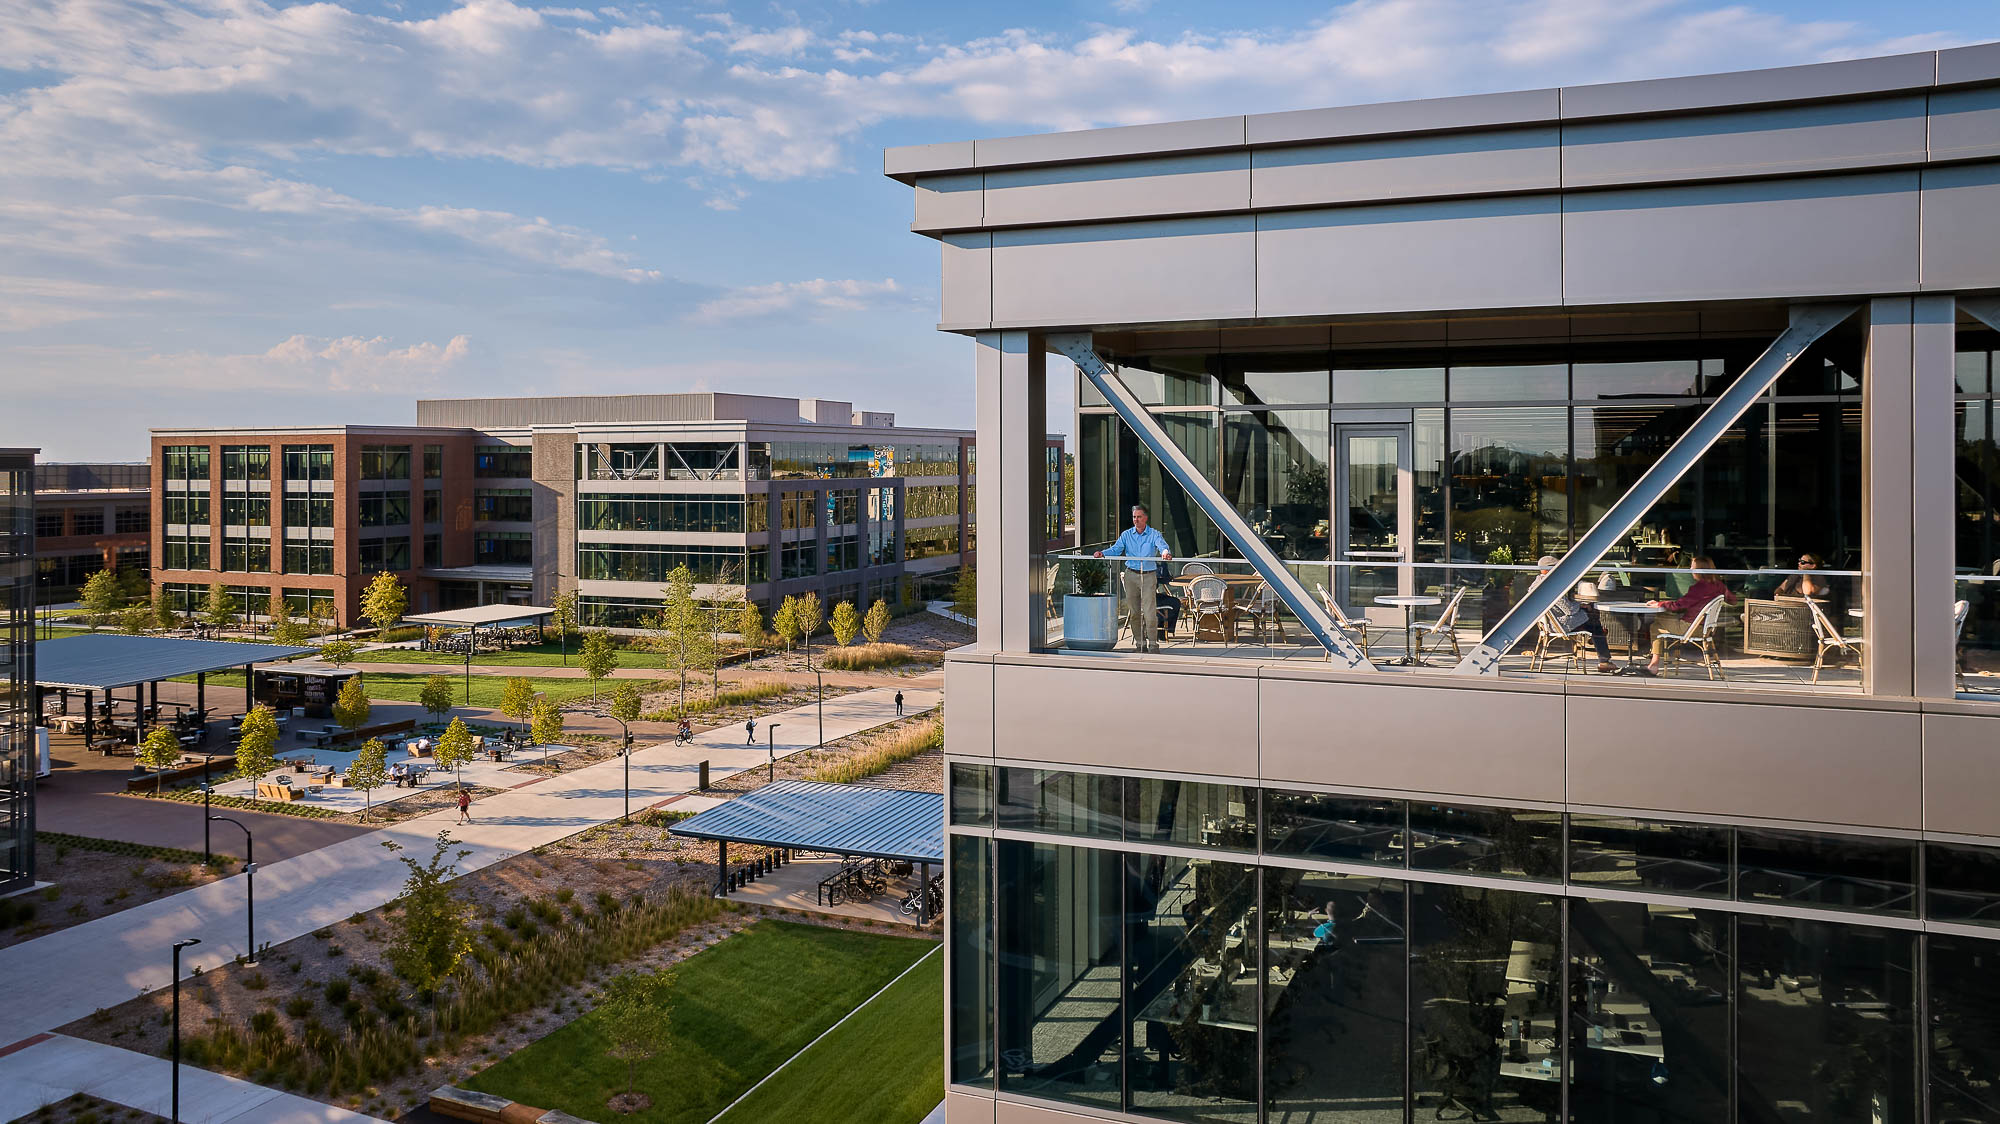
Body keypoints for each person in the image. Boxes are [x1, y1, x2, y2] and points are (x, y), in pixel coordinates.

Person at [1094, 504, 1173, 652]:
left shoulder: (1154, 534)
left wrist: (1165, 553)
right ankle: (1140, 644)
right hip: (1131, 575)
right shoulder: (1126, 535)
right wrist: (1102, 553)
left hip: (1148, 576)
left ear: (1145, 518)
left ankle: (1153, 644)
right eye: (1134, 517)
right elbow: (1116, 549)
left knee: (1149, 612)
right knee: (1135, 613)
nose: (1136, 520)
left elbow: (1162, 546)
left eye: (1139, 517)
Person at [1645, 555, 1738, 673]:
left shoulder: (1699, 587)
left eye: (1692, 568)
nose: (1690, 570)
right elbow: (1733, 600)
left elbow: (1678, 605)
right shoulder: (1719, 585)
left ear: (1700, 571)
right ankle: (1654, 660)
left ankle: (1654, 663)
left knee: (1656, 625)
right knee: (1663, 619)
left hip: (1689, 628)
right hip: (1706, 629)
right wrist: (1717, 599)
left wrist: (1659, 604)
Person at [1534, 556, 1616, 673]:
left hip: (1548, 623)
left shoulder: (1537, 583)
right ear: (1548, 570)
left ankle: (1597, 637)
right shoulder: (1551, 587)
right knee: (1592, 616)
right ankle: (1603, 657)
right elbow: (1569, 610)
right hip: (1559, 624)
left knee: (1591, 616)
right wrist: (1582, 605)